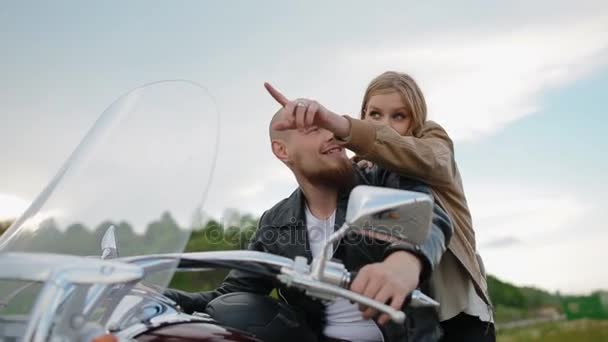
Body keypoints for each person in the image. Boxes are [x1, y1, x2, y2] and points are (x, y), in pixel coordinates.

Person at [166, 99, 454, 342]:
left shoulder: (382, 179)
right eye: (316, 130)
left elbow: (432, 217)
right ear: (282, 150)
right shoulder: (275, 222)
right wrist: (149, 293)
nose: (333, 135)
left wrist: (404, 262)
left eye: (331, 127)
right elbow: (229, 295)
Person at [264, 72, 495, 342]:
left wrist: (336, 123)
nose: (385, 125)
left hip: (455, 308)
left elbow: (433, 201)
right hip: (405, 312)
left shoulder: (431, 143)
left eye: (399, 116)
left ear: (415, 120)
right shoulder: (362, 170)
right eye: (375, 115)